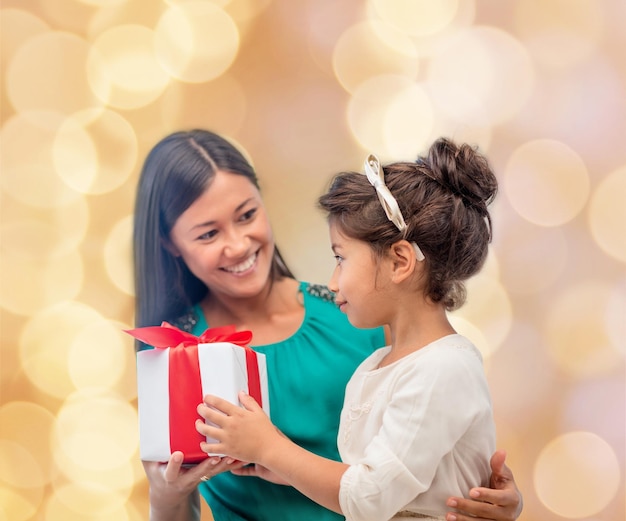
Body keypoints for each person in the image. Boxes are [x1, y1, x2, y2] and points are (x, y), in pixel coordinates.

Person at [133, 129, 523, 521]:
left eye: (247, 215)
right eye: (208, 233)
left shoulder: (362, 313)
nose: (237, 245)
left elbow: (436, 442)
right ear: (171, 243)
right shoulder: (178, 356)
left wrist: (489, 497)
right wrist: (164, 498)